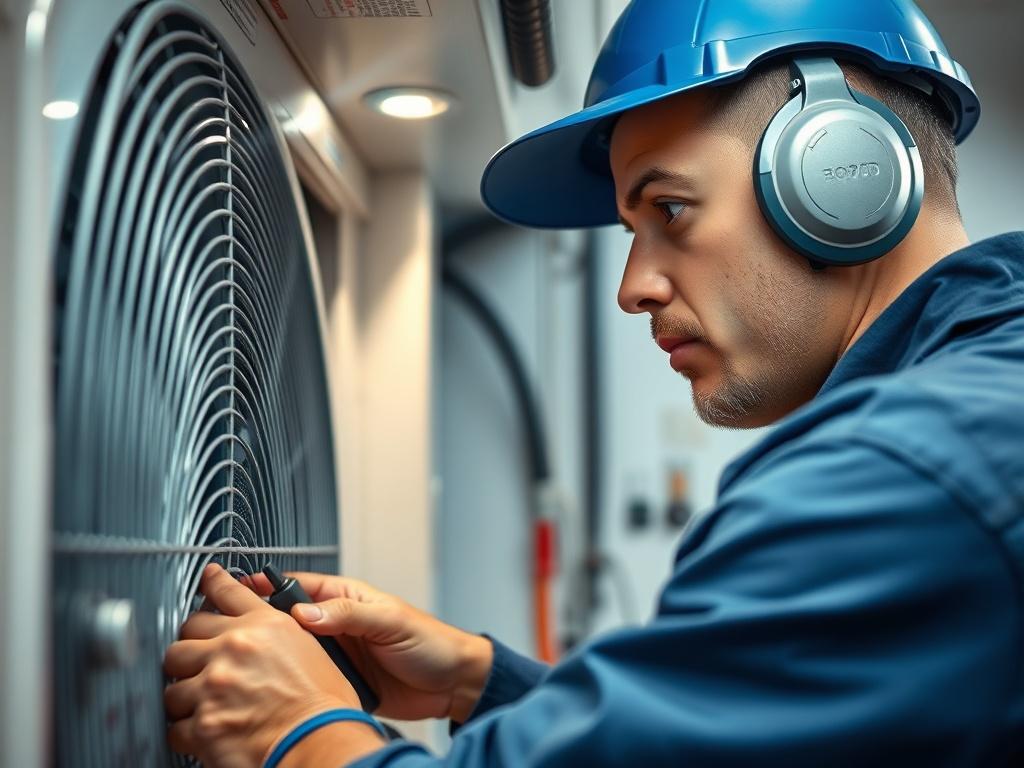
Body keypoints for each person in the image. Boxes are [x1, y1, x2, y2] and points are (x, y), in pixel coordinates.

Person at [163, 1, 1024, 765]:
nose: (632, 287)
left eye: (670, 210)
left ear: (839, 173)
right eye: (629, 227)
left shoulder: (897, 477)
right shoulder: (977, 408)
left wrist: (301, 736)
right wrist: (480, 680)